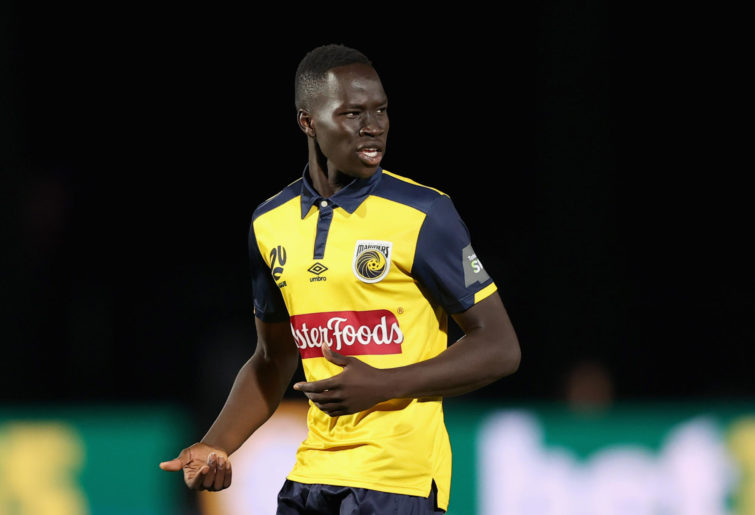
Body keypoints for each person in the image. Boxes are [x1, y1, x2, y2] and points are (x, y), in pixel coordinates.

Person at [160, 43, 521, 514]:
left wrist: (386, 382)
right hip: (311, 478)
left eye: (381, 110)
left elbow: (499, 347)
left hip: (398, 481)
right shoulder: (270, 223)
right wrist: (215, 443)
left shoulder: (424, 214)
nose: (374, 126)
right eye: (353, 113)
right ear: (307, 121)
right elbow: (272, 360)